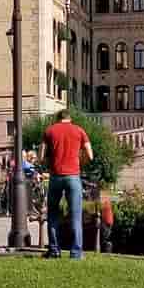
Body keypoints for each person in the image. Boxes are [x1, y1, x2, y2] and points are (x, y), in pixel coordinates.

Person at [42, 108, 93, 259]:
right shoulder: (79, 131)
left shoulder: (49, 131)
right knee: (76, 215)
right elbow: (90, 155)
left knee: (53, 214)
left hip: (56, 177)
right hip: (73, 176)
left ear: (58, 119)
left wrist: (50, 165)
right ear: (70, 119)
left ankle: (54, 250)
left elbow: (40, 156)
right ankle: (76, 253)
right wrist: (79, 163)